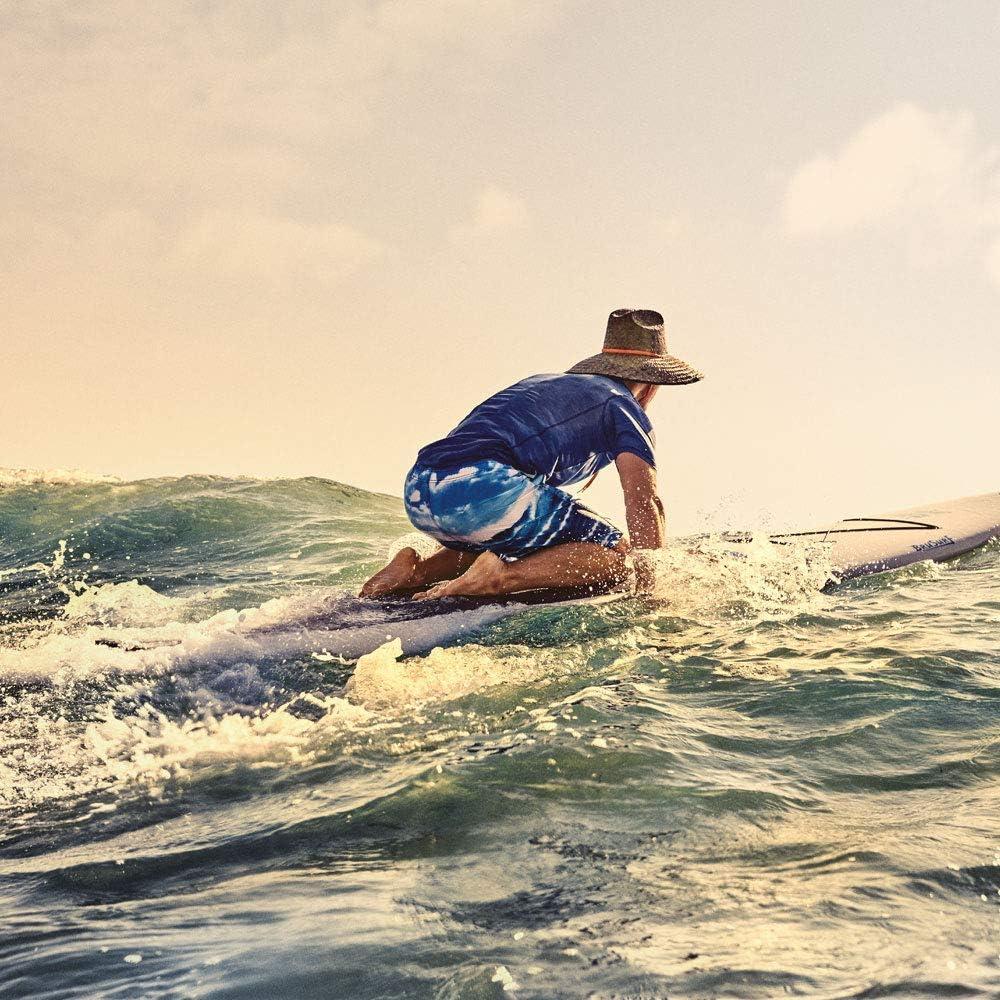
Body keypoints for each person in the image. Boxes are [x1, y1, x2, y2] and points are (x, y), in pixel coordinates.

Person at [361, 308, 702, 600]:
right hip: (487, 487)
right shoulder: (622, 406)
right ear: (653, 382)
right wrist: (651, 586)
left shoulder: (545, 383)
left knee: (508, 531)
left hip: (421, 489)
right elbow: (644, 500)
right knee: (619, 557)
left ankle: (416, 571)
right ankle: (499, 577)